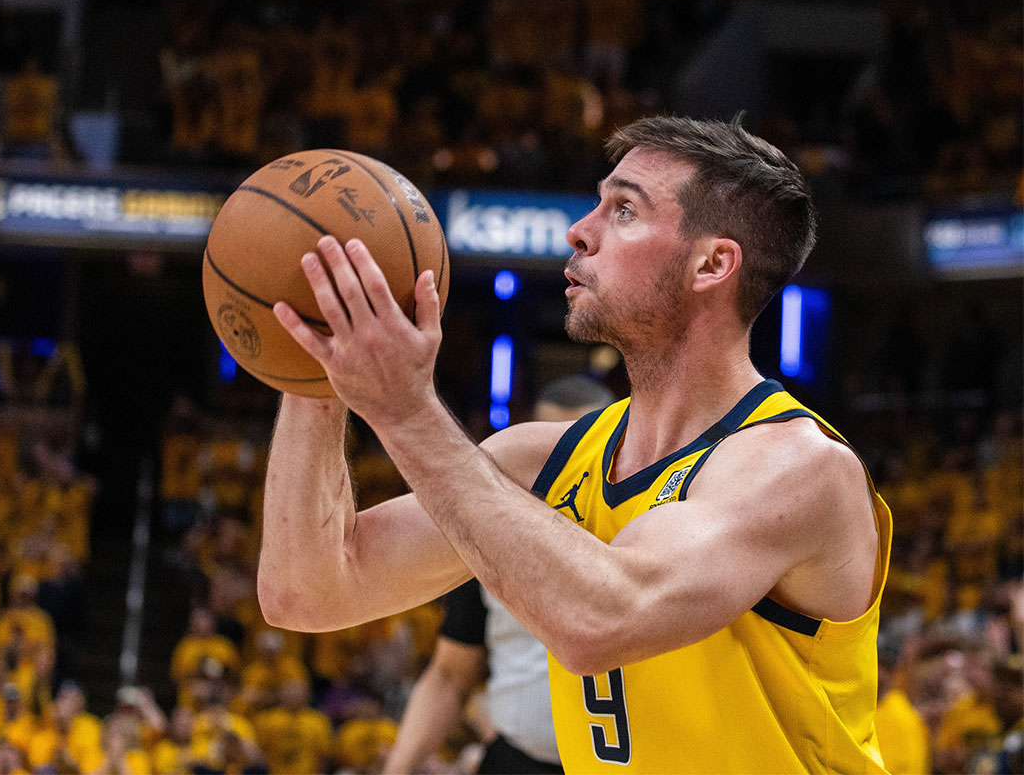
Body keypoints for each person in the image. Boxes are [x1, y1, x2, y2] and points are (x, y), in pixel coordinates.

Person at [258, 116, 891, 772]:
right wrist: (316, 358)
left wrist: (405, 411)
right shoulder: (546, 459)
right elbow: (306, 591)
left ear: (712, 264)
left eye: (623, 209)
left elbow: (601, 622)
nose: (578, 231)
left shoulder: (800, 469)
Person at [384, 377, 614, 775]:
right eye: (557, 452)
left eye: (585, 449)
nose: (571, 470)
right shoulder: (490, 542)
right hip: (516, 758)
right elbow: (449, 676)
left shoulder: (651, 536)